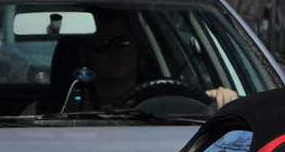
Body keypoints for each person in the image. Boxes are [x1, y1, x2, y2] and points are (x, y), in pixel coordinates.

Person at [66, 10, 238, 110]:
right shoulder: (68, 105)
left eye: (123, 42)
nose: (114, 52)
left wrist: (219, 97)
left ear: (136, 46)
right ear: (85, 57)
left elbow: (193, 108)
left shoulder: (166, 95)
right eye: (101, 45)